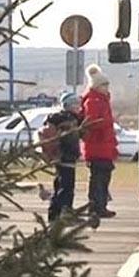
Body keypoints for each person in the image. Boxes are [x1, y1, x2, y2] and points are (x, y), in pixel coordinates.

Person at [80, 64, 118, 218]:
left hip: (103, 145)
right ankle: (96, 206)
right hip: (97, 146)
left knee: (103, 177)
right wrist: (105, 123)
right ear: (97, 86)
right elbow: (91, 122)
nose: (107, 87)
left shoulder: (101, 100)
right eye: (104, 85)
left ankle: (100, 205)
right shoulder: (93, 101)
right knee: (98, 178)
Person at [47, 92, 83, 221]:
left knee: (60, 185)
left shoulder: (65, 119)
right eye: (75, 104)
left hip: (62, 157)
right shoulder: (68, 120)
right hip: (65, 156)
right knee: (66, 187)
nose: (78, 107)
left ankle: (55, 213)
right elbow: (68, 139)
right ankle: (64, 213)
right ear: (67, 105)